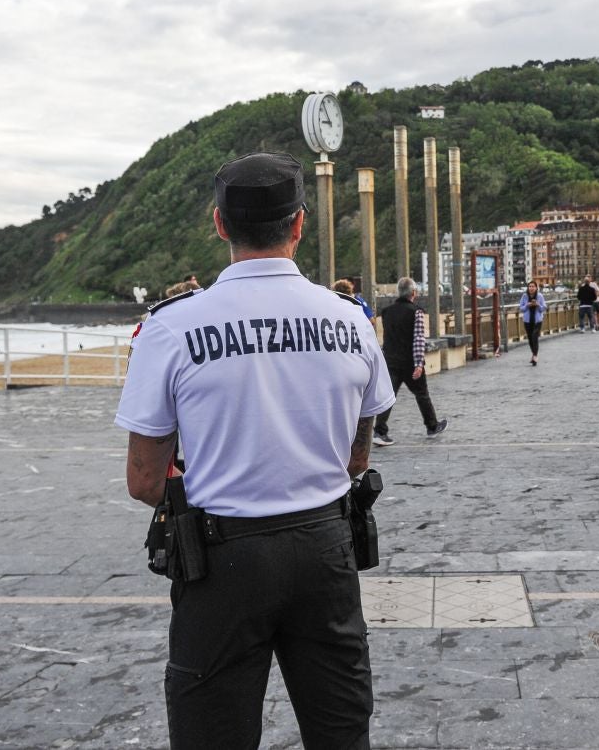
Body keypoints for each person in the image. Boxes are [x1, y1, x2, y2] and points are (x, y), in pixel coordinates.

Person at [116, 151, 395, 749]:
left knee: (211, 734)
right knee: (342, 732)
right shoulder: (350, 321)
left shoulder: (170, 327)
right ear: (299, 225)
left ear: (220, 225)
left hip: (221, 560)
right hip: (326, 548)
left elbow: (143, 481)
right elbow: (358, 456)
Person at [372, 277, 448, 446]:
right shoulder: (416, 312)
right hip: (409, 362)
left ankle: (379, 431)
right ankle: (432, 426)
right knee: (422, 394)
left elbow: (387, 338)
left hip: (391, 361)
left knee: (389, 396)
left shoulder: (386, 312)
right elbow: (418, 339)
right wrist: (419, 363)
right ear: (413, 293)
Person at [518, 280, 547, 366]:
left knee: (535, 336)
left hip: (537, 320)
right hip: (527, 320)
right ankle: (534, 355)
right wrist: (527, 305)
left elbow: (544, 307)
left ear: (536, 287)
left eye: (533, 286)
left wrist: (538, 305)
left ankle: (535, 356)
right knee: (530, 339)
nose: (531, 288)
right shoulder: (524, 296)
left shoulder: (540, 296)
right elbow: (521, 308)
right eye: (530, 286)